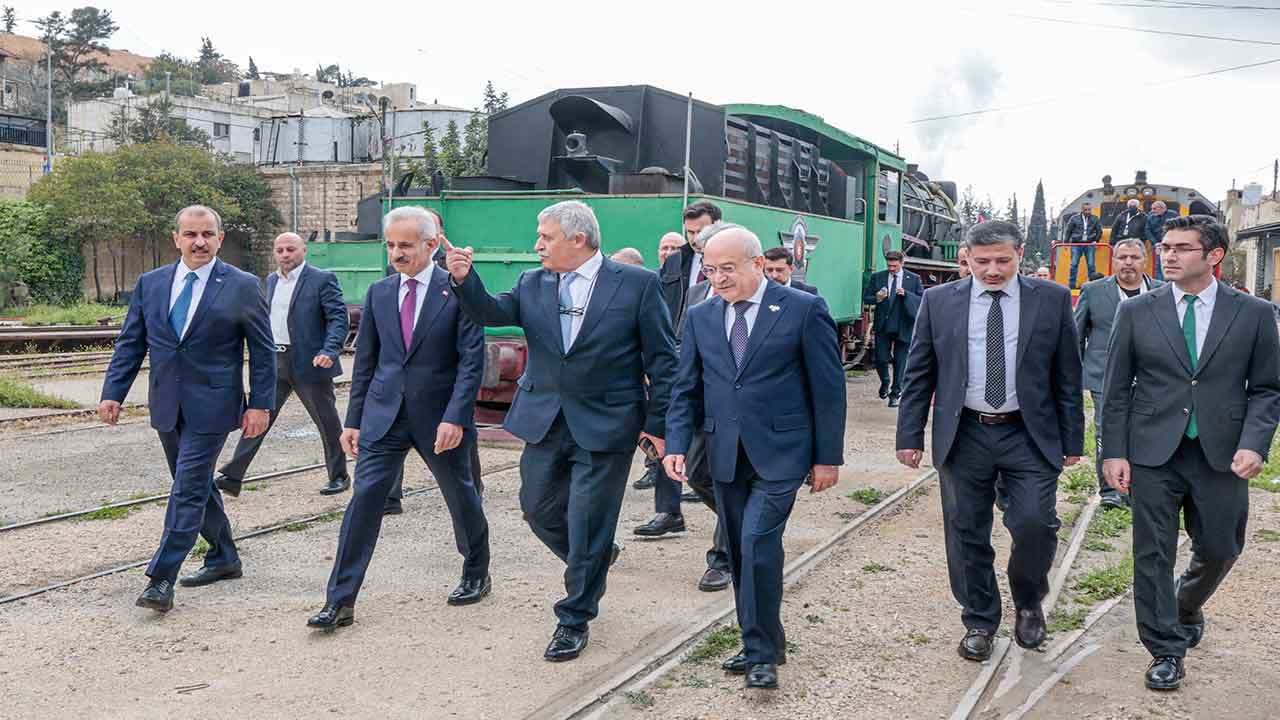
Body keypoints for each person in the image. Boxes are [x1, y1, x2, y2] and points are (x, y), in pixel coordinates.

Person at [445, 200, 678, 662]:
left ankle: (574, 616)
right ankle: (592, 557)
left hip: (608, 421)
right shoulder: (534, 282)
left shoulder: (637, 285)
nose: (537, 246)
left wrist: (659, 425)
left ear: (578, 239)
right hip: (545, 418)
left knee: (589, 518)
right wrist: (462, 279)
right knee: (537, 508)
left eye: (545, 237)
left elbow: (663, 359)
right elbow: (490, 311)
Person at [1101, 215, 1280, 691]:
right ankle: (1165, 648)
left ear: (1214, 256)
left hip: (1222, 453)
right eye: (1165, 247)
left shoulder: (1255, 314)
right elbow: (1115, 389)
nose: (1168, 255)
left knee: (1222, 547)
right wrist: (1113, 452)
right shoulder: (1138, 311)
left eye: (1182, 248)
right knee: (1151, 552)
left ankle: (1184, 605)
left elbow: (1266, 389)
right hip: (1153, 451)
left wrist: (1254, 443)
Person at [664, 226, 846, 691]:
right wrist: (678, 445)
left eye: (728, 269)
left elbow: (828, 390)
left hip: (782, 453)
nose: (719, 279)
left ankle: (760, 653)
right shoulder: (702, 316)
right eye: (711, 269)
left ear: (757, 265)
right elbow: (686, 388)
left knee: (757, 542)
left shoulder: (802, 310)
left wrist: (828, 458)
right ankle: (766, 638)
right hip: (726, 453)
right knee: (744, 553)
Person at [896, 220, 1084, 662]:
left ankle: (1029, 601)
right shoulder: (940, 301)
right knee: (966, 531)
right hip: (965, 434)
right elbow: (919, 372)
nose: (993, 270)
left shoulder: (1052, 300)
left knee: (1035, 524)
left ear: (1019, 254)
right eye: (982, 262)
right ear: (967, 258)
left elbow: (1067, 376)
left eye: (1002, 260)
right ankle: (979, 618)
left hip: (1028, 432)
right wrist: (910, 434)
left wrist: (1073, 438)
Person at [308, 207, 490, 631]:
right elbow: (367, 361)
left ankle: (476, 570)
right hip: (384, 416)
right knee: (364, 501)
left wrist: (456, 417)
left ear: (431, 245)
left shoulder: (458, 290)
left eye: (405, 245)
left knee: (461, 495)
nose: (396, 253)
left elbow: (471, 362)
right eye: (391, 245)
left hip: (440, 418)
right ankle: (340, 600)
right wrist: (352, 421)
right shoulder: (380, 293)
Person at [99, 205, 275, 613]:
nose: (200, 242)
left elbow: (263, 351)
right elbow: (131, 342)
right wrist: (114, 392)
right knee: (195, 485)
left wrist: (261, 404)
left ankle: (162, 578)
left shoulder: (242, 285)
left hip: (215, 405)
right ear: (176, 238)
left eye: (208, 234)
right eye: (191, 234)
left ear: (220, 239)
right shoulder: (152, 283)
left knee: (187, 487)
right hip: (166, 404)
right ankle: (225, 556)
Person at [634, 221, 737, 594]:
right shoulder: (694, 296)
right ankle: (741, 520)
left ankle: (723, 557)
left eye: (720, 264)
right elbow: (681, 344)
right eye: (708, 264)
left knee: (730, 478)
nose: (713, 272)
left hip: (736, 410)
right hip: (697, 400)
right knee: (697, 474)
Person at [214, 233, 350, 497]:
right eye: (280, 250)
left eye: (290, 249)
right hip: (276, 362)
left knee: (327, 422)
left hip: (311, 363)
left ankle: (339, 476)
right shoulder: (272, 281)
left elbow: (337, 319)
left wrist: (330, 350)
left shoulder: (322, 280)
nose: (285, 254)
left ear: (304, 250)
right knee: (258, 417)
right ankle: (233, 476)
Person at [386, 207, 484, 514]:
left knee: (460, 456)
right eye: (392, 244)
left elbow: (470, 352)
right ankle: (390, 496)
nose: (398, 250)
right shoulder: (396, 275)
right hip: (404, 382)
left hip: (445, 380)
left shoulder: (453, 267)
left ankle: (471, 491)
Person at [1075, 238, 1161, 510]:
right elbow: (1077, 335)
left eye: (1134, 258)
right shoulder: (1093, 291)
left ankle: (1138, 486)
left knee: (1144, 430)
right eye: (1122, 257)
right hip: (1104, 375)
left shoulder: (1163, 291)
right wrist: (1074, 375)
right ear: (1113, 261)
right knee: (1107, 429)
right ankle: (1110, 490)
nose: (1128, 263)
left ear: (1144, 261)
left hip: (1150, 377)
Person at [863, 250, 923, 407]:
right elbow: (866, 297)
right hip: (884, 325)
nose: (891, 269)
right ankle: (885, 382)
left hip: (904, 324)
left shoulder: (913, 279)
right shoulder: (878, 277)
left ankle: (895, 394)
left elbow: (922, 300)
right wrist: (877, 297)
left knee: (900, 362)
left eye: (895, 266)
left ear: (902, 263)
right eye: (889, 265)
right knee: (881, 359)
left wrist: (907, 294)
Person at [660, 201, 721, 329]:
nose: (695, 238)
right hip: (676, 338)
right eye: (690, 232)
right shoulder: (673, 261)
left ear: (717, 226)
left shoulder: (729, 262)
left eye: (700, 231)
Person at [1063, 203, 1102, 289]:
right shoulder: (1074, 218)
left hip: (1089, 244)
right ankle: (1072, 285)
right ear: (1082, 210)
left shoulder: (1095, 219)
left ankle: (1092, 285)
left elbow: (1099, 230)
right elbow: (1068, 230)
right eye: (1085, 210)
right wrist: (1066, 242)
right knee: (1074, 264)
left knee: (1091, 265)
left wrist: (1096, 241)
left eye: (1089, 210)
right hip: (1076, 243)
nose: (1088, 211)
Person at [1145, 201, 1178, 280]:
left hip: (1172, 244)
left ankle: (1171, 281)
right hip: (1158, 245)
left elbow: (1179, 228)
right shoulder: (1151, 216)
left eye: (1154, 209)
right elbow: (1147, 230)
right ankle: (1160, 283)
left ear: (1161, 208)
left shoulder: (1173, 215)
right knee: (1159, 265)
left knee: (1172, 262)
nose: (1152, 210)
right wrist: (1155, 242)